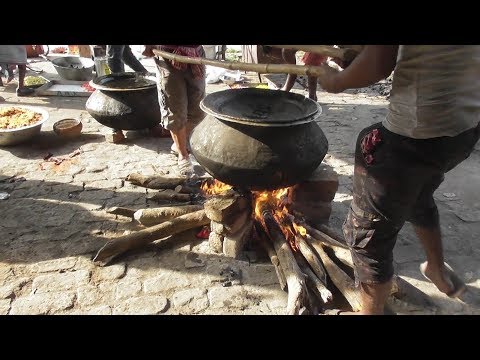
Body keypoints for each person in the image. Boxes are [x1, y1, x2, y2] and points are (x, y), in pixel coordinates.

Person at [318, 45, 480, 315]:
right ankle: (436, 270)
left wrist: (335, 81)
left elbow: (379, 63)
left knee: (367, 237)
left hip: (415, 134)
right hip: (462, 130)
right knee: (418, 195)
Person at [145, 45, 206, 177]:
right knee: (175, 109)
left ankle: (179, 143)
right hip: (168, 55)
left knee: (198, 111)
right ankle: (183, 154)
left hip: (195, 54)